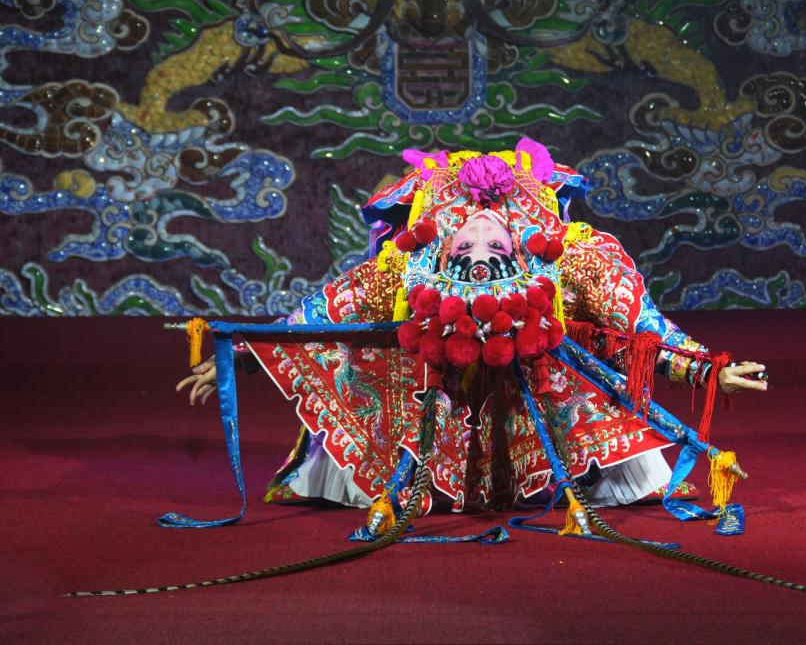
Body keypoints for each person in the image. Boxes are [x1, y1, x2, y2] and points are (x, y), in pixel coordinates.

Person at [176, 138, 766, 526]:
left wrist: (706, 370)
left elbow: (640, 326)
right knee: (379, 349)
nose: (480, 254)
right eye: (466, 248)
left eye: (493, 244)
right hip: (434, 399)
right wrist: (240, 354)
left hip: (544, 394)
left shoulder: (575, 259)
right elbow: (322, 315)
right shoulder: (407, 267)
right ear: (444, 243)